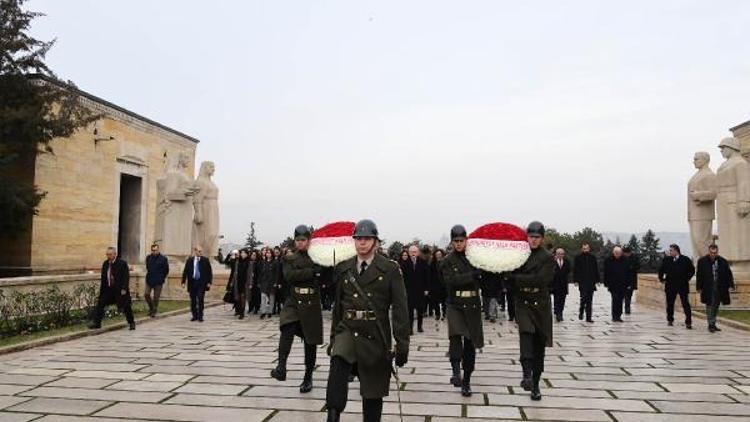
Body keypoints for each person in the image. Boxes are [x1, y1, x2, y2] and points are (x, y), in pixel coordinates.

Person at [325, 219, 409, 422]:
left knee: (372, 392)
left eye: (367, 238)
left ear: (376, 242)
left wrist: (402, 344)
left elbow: (400, 309)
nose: (362, 242)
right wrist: (334, 337)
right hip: (348, 328)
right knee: (338, 361)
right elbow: (339, 306)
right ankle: (333, 413)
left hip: (376, 333)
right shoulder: (345, 268)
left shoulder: (390, 269)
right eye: (358, 238)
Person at [272, 225, 323, 394]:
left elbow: (326, 278)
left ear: (309, 241)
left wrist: (323, 270)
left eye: (304, 240)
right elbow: (290, 276)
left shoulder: (319, 258)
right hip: (294, 300)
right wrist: (311, 272)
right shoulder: (289, 258)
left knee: (311, 342)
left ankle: (308, 377)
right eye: (298, 240)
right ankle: (281, 366)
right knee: (287, 327)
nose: (301, 243)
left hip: (311, 302)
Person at [506, 221, 554, 401]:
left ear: (542, 238)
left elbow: (542, 280)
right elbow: (508, 275)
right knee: (526, 333)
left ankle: (535, 383)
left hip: (540, 304)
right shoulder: (520, 254)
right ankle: (526, 374)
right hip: (523, 302)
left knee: (539, 344)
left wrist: (517, 279)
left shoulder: (547, 257)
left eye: (537, 237)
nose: (533, 240)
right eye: (531, 237)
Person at [440, 225, 483, 397]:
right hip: (455, 304)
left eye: (461, 241)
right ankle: (456, 371)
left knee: (470, 343)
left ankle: (467, 380)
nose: (459, 244)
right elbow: (450, 281)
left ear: (466, 241)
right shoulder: (447, 261)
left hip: (472, 303)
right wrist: (471, 276)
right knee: (456, 338)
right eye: (456, 241)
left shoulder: (475, 259)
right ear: (452, 242)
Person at [89, 247, 135, 330]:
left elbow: (126, 277)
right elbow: (104, 277)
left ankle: (131, 322)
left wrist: (124, 288)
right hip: (108, 290)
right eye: (107, 254)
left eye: (110, 254)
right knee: (100, 304)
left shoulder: (122, 263)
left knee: (126, 306)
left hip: (120, 289)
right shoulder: (106, 263)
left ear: (115, 254)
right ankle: (97, 323)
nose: (108, 256)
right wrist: (102, 291)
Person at [696, 244, 735, 332]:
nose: (713, 254)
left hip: (720, 287)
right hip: (708, 287)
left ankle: (713, 323)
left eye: (715, 253)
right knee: (709, 305)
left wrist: (731, 285)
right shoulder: (702, 261)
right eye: (711, 253)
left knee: (716, 305)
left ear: (717, 252)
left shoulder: (723, 261)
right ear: (709, 252)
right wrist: (699, 287)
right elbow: (699, 275)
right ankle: (710, 324)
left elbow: (728, 274)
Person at [658, 244, 696, 329]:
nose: (670, 252)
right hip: (670, 285)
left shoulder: (685, 259)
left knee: (685, 303)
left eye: (671, 250)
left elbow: (692, 270)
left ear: (676, 251)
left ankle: (688, 321)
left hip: (682, 285)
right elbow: (661, 270)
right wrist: (662, 279)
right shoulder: (667, 259)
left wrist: (686, 278)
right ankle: (670, 320)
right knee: (670, 303)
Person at [401, 245, 429, 334]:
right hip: (409, 290)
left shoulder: (423, 262)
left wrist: (426, 289)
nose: (413, 254)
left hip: (420, 290)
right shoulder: (405, 263)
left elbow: (427, 277)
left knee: (420, 310)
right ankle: (410, 328)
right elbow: (403, 278)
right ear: (409, 253)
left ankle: (419, 326)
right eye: (411, 252)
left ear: (418, 253)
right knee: (410, 310)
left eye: (415, 252)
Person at [181, 245, 213, 322]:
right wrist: (183, 282)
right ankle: (194, 315)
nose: (200, 252)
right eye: (199, 251)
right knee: (193, 300)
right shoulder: (190, 260)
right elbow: (185, 271)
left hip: (201, 283)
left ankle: (200, 315)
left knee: (200, 298)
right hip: (192, 283)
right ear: (195, 251)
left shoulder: (205, 260)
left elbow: (209, 272)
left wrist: (209, 282)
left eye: (201, 251)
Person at [573, 243, 599, 322]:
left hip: (591, 282)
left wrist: (597, 280)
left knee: (589, 300)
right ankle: (581, 310)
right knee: (584, 297)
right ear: (581, 249)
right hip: (582, 281)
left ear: (589, 249)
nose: (585, 250)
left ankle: (588, 317)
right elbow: (575, 270)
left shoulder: (593, 258)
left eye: (586, 248)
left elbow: (595, 269)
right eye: (584, 249)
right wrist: (576, 280)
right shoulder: (578, 258)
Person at [603, 246, 628, 322]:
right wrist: (606, 283)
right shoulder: (608, 260)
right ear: (613, 253)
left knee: (620, 300)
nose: (617, 254)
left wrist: (628, 283)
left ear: (621, 253)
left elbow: (628, 273)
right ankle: (614, 316)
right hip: (613, 284)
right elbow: (606, 272)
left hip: (622, 284)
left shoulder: (625, 260)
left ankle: (619, 316)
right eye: (616, 253)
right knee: (615, 299)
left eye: (619, 253)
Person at [144, 243, 169, 317]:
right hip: (149, 279)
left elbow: (166, 270)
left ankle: (153, 311)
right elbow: (147, 267)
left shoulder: (163, 259)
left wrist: (162, 278)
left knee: (156, 297)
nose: (154, 252)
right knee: (146, 294)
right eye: (153, 250)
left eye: (156, 250)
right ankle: (151, 308)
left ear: (158, 250)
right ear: (151, 250)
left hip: (158, 281)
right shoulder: (148, 258)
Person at [550, 247, 571, 322]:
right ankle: (557, 313)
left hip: (563, 284)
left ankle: (560, 312)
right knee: (556, 299)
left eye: (562, 254)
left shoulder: (566, 262)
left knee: (562, 299)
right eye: (558, 254)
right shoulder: (552, 262)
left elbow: (568, 270)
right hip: (555, 284)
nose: (560, 255)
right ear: (556, 254)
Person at [258, 248, 279, 319]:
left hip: (272, 282)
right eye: (267, 253)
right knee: (263, 297)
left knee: (271, 298)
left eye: (269, 253)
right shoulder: (263, 262)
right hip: (264, 282)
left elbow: (277, 273)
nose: (268, 254)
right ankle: (263, 312)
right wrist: (259, 282)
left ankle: (270, 311)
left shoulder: (275, 262)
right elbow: (260, 273)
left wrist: (276, 282)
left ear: (272, 254)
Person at [429, 249, 447, 321]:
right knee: (435, 301)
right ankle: (437, 314)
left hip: (444, 285)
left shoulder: (445, 263)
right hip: (435, 285)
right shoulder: (432, 264)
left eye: (440, 254)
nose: (438, 256)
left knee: (444, 301)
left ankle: (444, 313)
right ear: (435, 256)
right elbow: (430, 275)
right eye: (437, 255)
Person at [234, 249, 252, 319]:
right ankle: (238, 311)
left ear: (247, 254)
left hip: (245, 282)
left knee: (243, 297)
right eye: (241, 253)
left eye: (244, 253)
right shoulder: (238, 262)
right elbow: (235, 272)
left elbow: (250, 274)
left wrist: (250, 283)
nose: (242, 254)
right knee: (238, 297)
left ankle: (242, 312)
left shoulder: (249, 262)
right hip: (238, 281)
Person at [622, 246, 640, 315]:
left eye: (626, 253)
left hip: (631, 279)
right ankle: (625, 308)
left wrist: (631, 267)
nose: (625, 255)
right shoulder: (622, 257)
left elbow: (638, 266)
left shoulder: (634, 258)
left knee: (629, 295)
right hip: (623, 279)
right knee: (623, 295)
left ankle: (627, 308)